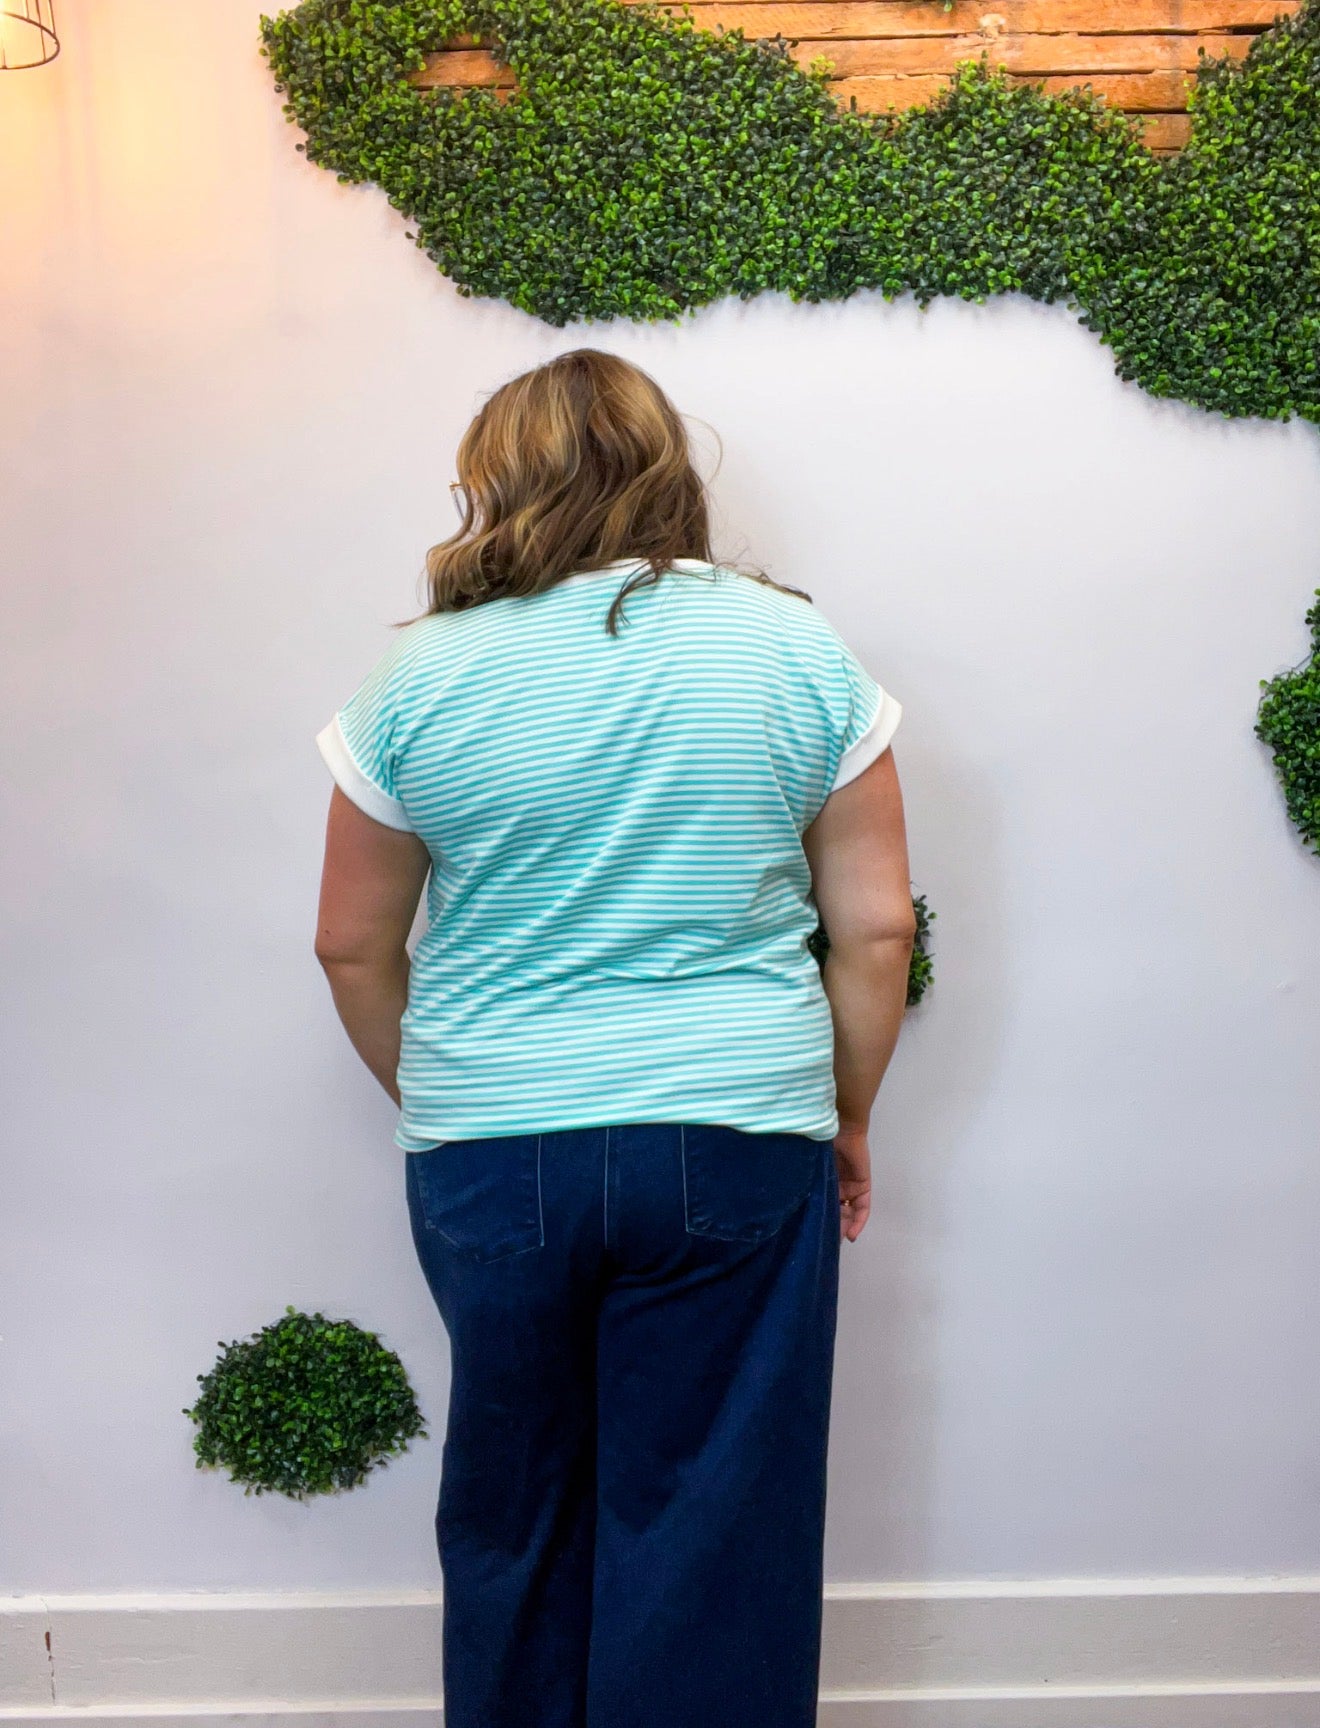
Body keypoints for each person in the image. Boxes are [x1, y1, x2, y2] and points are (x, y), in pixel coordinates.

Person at [312, 347, 916, 1728]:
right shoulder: (791, 649)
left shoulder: (418, 679)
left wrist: (458, 1096)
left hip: (490, 1149)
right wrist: (849, 1113)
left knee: (515, 1514)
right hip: (736, 1137)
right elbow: (875, 930)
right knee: (713, 1529)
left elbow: (352, 945)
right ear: (668, 470)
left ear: (495, 478)